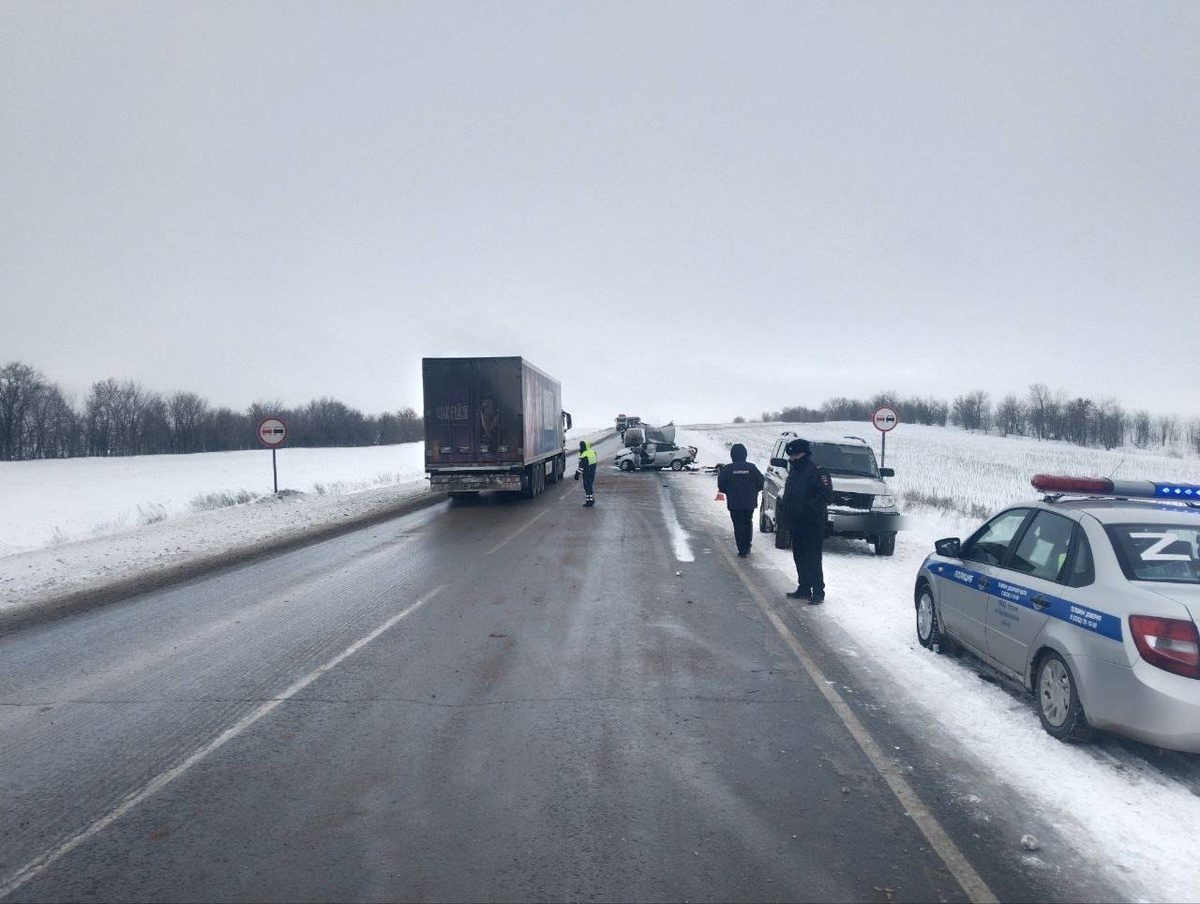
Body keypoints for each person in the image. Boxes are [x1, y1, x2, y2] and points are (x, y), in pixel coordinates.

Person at [782, 438, 832, 604]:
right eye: (791, 455)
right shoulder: (795, 471)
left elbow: (825, 496)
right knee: (799, 556)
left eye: (795, 454)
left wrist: (807, 509)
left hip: (812, 523)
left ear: (803, 454)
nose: (792, 458)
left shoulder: (817, 472)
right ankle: (804, 587)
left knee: (813, 558)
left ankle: (818, 591)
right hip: (796, 523)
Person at [717, 443, 765, 557]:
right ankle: (747, 545)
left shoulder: (727, 469)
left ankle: (742, 550)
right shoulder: (752, 468)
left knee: (738, 525)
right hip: (749, 502)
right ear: (745, 454)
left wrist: (729, 491)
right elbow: (761, 483)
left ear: (732, 455)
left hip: (734, 503)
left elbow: (721, 486)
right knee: (748, 522)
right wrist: (753, 491)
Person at [575, 439, 598, 506]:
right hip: (592, 472)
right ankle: (591, 499)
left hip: (587, 473)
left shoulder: (584, 454)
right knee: (589, 486)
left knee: (587, 487)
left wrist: (577, 474)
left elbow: (582, 466)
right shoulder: (592, 452)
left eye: (581, 445)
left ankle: (589, 501)